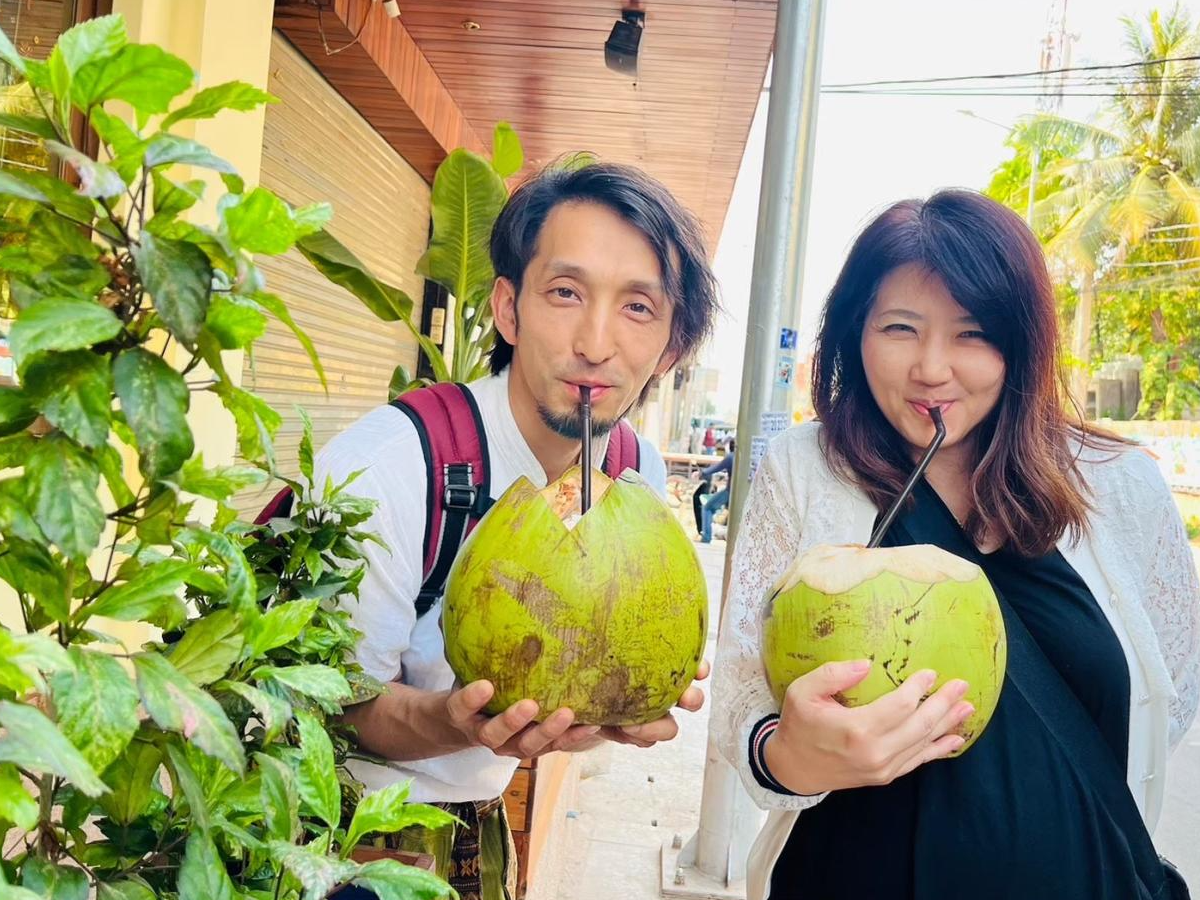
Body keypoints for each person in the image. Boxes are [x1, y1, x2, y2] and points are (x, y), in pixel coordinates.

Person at [711, 190, 1200, 900]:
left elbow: (1170, 691)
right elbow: (739, 702)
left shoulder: (1120, 486)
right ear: (855, 333)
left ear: (1021, 343)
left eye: (972, 334)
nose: (932, 369)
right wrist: (790, 757)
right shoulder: (807, 470)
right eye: (901, 328)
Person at [316, 162, 720, 900]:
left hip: (478, 815)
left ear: (670, 348)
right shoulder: (394, 465)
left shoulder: (635, 473)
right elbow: (332, 708)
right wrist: (459, 722)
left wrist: (621, 698)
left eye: (638, 308)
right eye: (565, 293)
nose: (596, 342)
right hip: (340, 825)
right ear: (509, 309)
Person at [696, 438, 734, 543]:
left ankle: (706, 537)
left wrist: (702, 473)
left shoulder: (731, 457)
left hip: (730, 491)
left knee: (707, 507)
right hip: (742, 493)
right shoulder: (746, 456)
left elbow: (716, 468)